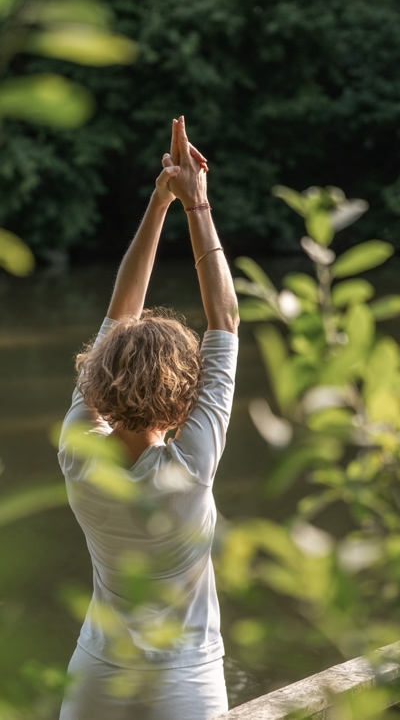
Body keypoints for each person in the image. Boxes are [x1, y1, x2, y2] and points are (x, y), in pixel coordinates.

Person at [58, 116, 239, 720]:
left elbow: (120, 314)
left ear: (101, 378)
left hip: (97, 676)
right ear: (183, 398)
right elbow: (227, 324)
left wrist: (161, 201)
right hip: (184, 681)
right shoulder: (193, 465)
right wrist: (197, 204)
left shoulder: (78, 453)